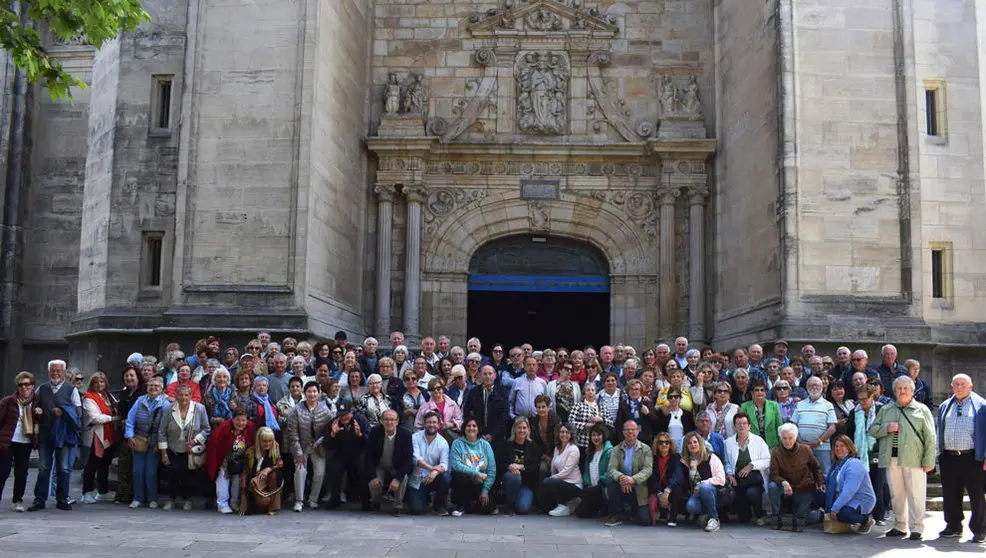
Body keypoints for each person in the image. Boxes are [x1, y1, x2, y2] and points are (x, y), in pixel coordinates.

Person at [868, 376, 936, 540]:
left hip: (915, 458)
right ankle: (900, 525)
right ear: (894, 391)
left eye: (906, 388)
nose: (902, 391)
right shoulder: (886, 409)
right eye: (899, 388)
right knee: (896, 494)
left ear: (912, 391)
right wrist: (887, 428)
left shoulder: (922, 410)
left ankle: (917, 527)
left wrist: (929, 461)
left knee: (916, 494)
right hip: (891, 458)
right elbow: (872, 430)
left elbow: (930, 437)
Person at [934, 373, 986, 542]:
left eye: (963, 384)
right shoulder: (945, 405)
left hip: (972, 457)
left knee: (977, 495)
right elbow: (939, 431)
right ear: (952, 386)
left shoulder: (982, 406)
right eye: (956, 384)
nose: (959, 387)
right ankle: (953, 526)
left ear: (971, 386)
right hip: (949, 456)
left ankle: (980, 529)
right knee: (950, 494)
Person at [28, 360, 81, 512]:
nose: (55, 373)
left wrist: (63, 412)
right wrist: (37, 410)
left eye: (58, 370)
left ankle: (62, 498)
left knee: (63, 467)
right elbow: (33, 405)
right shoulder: (42, 388)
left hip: (63, 433)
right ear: (48, 372)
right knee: (43, 467)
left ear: (63, 372)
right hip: (45, 433)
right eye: (53, 370)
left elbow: (78, 412)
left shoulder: (71, 389)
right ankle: (40, 499)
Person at [158, 384, 211, 511]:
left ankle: (188, 500)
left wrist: (195, 440)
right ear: (176, 396)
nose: (183, 397)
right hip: (173, 449)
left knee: (189, 476)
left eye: (186, 395)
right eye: (180, 395)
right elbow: (161, 431)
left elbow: (207, 429)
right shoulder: (169, 409)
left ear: (191, 396)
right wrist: (164, 453)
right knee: (172, 474)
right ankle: (171, 499)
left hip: (191, 450)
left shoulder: (199, 408)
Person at [285, 381, 331, 512]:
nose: (312, 394)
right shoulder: (296, 410)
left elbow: (328, 430)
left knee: (320, 472)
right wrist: (299, 453)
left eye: (314, 391)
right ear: (304, 393)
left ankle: (313, 499)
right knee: (300, 470)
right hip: (301, 446)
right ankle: (299, 500)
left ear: (318, 393)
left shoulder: (324, 409)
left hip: (318, 447)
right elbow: (292, 433)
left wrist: (318, 442)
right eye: (309, 391)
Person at [769, 423, 824, 532]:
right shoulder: (776, 452)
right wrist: (784, 482)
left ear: (795, 438)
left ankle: (819, 515)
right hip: (785, 488)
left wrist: (820, 482)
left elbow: (816, 467)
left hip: (803, 486)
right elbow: (773, 474)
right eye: (784, 438)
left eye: (790, 438)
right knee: (772, 486)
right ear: (780, 438)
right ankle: (776, 517)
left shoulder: (805, 450)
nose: (787, 441)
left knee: (802, 519)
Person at [123, 376, 167, 509]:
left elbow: (165, 426)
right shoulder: (139, 401)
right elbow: (130, 420)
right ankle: (137, 498)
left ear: (161, 389)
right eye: (151, 386)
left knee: (151, 472)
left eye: (156, 386)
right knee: (137, 471)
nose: (153, 388)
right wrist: (130, 436)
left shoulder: (165, 404)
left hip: (155, 442)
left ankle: (152, 499)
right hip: (139, 440)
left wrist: (160, 443)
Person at [846, 384, 887, 525]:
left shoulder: (881, 410)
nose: (862, 402)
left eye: (865, 399)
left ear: (872, 397)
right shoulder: (854, 412)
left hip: (877, 451)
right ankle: (864, 514)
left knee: (878, 485)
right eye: (860, 399)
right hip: (859, 453)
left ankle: (879, 515)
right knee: (862, 486)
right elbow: (850, 432)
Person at [362, 409, 413, 515]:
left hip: (396, 466)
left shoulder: (406, 435)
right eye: (386, 419)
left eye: (392, 419)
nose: (389, 422)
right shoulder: (375, 432)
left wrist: (397, 479)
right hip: (379, 465)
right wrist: (373, 476)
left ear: (397, 422)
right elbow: (368, 456)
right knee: (373, 479)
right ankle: (375, 502)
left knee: (403, 478)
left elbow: (408, 460)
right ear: (381, 421)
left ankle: (397, 505)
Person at [673, 431, 726, 532]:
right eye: (689, 443)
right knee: (691, 506)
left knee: (704, 488)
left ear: (700, 443)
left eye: (695, 442)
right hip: (695, 494)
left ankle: (714, 518)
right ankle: (705, 514)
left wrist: (702, 484)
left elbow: (721, 478)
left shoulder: (711, 457)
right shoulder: (684, 460)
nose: (692, 445)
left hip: (713, 491)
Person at [724, 413, 770, 525]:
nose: (742, 426)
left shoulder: (759, 441)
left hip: (754, 480)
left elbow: (767, 460)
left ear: (749, 426)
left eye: (744, 423)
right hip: (738, 481)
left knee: (752, 493)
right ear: (734, 427)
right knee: (744, 519)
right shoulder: (728, 443)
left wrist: (752, 465)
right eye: (738, 424)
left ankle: (759, 515)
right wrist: (729, 474)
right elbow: (726, 462)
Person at [825, 435, 877, 534]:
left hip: (860, 500)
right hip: (843, 497)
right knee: (816, 495)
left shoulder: (854, 464)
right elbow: (830, 479)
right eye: (836, 446)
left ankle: (866, 520)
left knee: (843, 515)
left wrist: (835, 508)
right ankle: (821, 516)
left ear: (849, 448)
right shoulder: (837, 464)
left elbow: (849, 491)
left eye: (842, 446)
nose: (838, 449)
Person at [604, 421, 653, 527]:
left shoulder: (646, 449)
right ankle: (616, 514)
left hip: (638, 489)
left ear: (638, 431)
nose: (630, 432)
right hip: (621, 486)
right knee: (611, 482)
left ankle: (629, 511)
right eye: (627, 430)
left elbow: (647, 470)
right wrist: (622, 477)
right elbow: (611, 469)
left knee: (644, 521)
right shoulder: (616, 449)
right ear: (623, 432)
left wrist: (632, 479)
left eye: (633, 429)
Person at [0, 371, 37, 511]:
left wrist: (40, 414)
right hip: (8, 441)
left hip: (25, 441)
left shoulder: (36, 402)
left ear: (32, 386)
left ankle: (18, 500)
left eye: (27, 384)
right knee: (3, 471)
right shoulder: (8, 401)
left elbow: (41, 421)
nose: (24, 387)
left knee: (21, 473)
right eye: (21, 385)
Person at [80, 372, 119, 504]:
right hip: (96, 435)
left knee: (105, 463)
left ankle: (103, 491)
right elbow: (95, 417)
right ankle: (87, 492)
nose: (99, 385)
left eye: (101, 382)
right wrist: (113, 418)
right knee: (92, 464)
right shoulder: (89, 398)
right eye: (96, 382)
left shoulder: (109, 396)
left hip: (109, 434)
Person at [323, 400, 369, 508]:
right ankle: (335, 498)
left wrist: (360, 435)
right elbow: (327, 445)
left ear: (352, 412)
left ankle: (366, 500)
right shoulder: (333, 423)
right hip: (341, 454)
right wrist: (333, 435)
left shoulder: (361, 420)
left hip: (358, 453)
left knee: (364, 467)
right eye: (341, 415)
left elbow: (370, 442)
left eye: (346, 414)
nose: (343, 418)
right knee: (333, 467)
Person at [449, 418, 497, 516]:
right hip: (464, 482)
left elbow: (492, 469)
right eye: (468, 426)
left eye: (474, 426)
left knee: (489, 508)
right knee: (459, 475)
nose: (471, 428)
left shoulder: (485, 444)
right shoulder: (457, 443)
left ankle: (471, 505)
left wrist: (485, 490)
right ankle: (461, 505)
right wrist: (477, 473)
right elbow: (456, 465)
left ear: (478, 429)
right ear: (464, 428)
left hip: (480, 483)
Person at [791, 376, 837, 475]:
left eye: (817, 385)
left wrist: (819, 442)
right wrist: (799, 441)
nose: (814, 387)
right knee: (802, 474)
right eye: (811, 385)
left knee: (824, 474)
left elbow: (832, 428)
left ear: (822, 387)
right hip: (802, 447)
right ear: (807, 387)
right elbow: (794, 425)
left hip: (822, 448)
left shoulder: (828, 405)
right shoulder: (800, 404)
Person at [407, 411, 451, 515]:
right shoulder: (415, 437)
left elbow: (444, 464)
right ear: (424, 424)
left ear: (439, 425)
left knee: (446, 477)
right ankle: (426, 499)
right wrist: (432, 468)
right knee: (417, 510)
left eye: (434, 422)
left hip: (433, 479)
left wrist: (434, 472)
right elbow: (415, 459)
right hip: (417, 480)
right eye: (429, 422)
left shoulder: (443, 442)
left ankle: (438, 504)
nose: (431, 425)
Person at [497, 416, 541, 515]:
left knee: (523, 509)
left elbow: (535, 467)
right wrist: (509, 467)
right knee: (514, 476)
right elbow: (500, 463)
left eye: (524, 428)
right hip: (510, 480)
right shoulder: (507, 444)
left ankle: (518, 501)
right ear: (514, 429)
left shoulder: (533, 446)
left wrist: (521, 467)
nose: (522, 430)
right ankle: (510, 505)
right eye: (519, 428)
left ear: (528, 429)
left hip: (526, 483)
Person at [113, 366, 142, 504]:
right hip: (125, 432)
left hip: (140, 433)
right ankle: (122, 495)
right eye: (126, 376)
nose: (129, 378)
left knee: (136, 467)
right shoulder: (124, 394)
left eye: (132, 375)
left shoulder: (143, 392)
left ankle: (136, 495)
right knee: (123, 465)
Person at [239, 426, 284, 516]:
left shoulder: (275, 448)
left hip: (270, 482)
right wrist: (243, 498)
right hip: (256, 485)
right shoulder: (250, 452)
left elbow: (280, 464)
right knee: (263, 501)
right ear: (259, 440)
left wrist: (268, 469)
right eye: (264, 441)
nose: (268, 444)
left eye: (270, 441)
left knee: (275, 475)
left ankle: (273, 508)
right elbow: (245, 473)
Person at [540, 424, 582, 517]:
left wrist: (551, 479)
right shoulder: (556, 448)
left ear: (571, 435)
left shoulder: (574, 449)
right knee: (544, 507)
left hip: (573, 484)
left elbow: (566, 471)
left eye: (567, 432)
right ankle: (561, 504)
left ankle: (568, 503)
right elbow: (553, 469)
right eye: (562, 432)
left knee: (548, 482)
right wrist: (552, 478)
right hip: (560, 482)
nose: (564, 434)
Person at [463, 365, 509, 442]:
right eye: (485, 374)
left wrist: (492, 434)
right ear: (480, 376)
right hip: (477, 435)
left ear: (494, 375)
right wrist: (478, 433)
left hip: (497, 436)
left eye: (490, 374)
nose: (487, 376)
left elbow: (504, 415)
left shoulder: (502, 392)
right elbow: (467, 413)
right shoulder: (473, 392)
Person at [576, 423, 612, 519]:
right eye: (593, 435)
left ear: (604, 436)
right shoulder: (589, 452)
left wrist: (601, 481)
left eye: (598, 435)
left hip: (602, 487)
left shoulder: (610, 452)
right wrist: (587, 482)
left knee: (583, 493)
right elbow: (586, 472)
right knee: (581, 513)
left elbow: (610, 471)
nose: (596, 438)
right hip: (591, 488)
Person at [568, 383, 612, 452]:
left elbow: (611, 423)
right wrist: (584, 425)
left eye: (593, 390)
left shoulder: (602, 406)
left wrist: (602, 419)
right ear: (584, 393)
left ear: (596, 393)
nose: (590, 392)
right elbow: (570, 422)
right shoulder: (578, 405)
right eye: (588, 390)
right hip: (582, 443)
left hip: (599, 444)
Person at [740, 381, 781, 449]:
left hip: (772, 445)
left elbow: (779, 426)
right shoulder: (744, 407)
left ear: (766, 392)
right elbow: (742, 427)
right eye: (757, 390)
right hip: (752, 445)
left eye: (762, 390)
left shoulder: (774, 405)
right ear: (752, 393)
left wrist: (780, 446)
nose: (759, 392)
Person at [653, 387, 695, 452]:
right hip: (667, 448)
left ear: (680, 398)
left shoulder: (687, 414)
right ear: (668, 399)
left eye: (676, 396)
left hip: (684, 448)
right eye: (670, 397)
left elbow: (691, 432)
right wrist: (665, 416)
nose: (673, 399)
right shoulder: (662, 414)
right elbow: (659, 431)